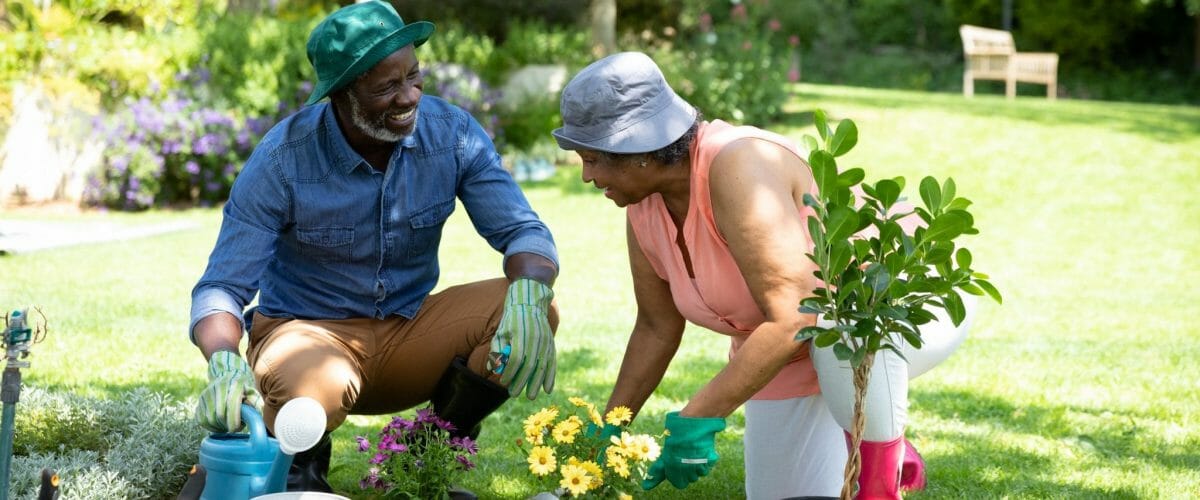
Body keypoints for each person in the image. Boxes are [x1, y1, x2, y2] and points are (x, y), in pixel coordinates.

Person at [552, 51, 976, 499]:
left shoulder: (738, 165)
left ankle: (879, 473)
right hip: (792, 351)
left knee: (838, 323)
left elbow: (797, 314)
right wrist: (608, 428)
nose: (586, 175)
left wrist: (698, 416)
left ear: (637, 151)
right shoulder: (643, 205)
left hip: (899, 303)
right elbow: (657, 327)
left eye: (593, 159)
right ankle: (864, 427)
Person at [188, 1, 559, 494]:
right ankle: (301, 480)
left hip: (410, 330)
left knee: (530, 308)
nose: (410, 96)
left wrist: (532, 290)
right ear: (342, 94)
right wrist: (221, 359)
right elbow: (220, 287)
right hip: (309, 338)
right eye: (387, 87)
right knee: (309, 386)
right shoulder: (283, 159)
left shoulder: (452, 135)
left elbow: (522, 230)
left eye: (414, 75)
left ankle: (425, 462)